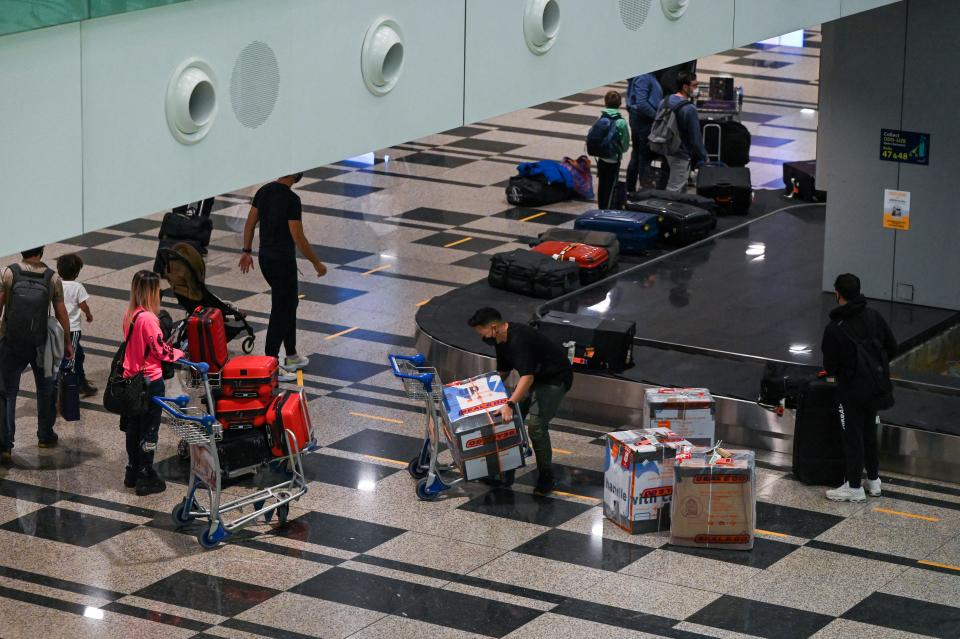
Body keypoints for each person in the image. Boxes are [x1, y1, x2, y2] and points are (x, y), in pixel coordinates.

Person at [468, 307, 573, 496]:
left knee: (536, 426)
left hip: (554, 378)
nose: (480, 336)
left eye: (481, 332)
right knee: (509, 421)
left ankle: (546, 477)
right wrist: (483, 391)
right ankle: (505, 473)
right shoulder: (500, 339)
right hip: (535, 377)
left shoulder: (519, 338)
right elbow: (504, 371)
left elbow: (527, 377)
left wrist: (509, 404)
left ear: (493, 327)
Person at [239, 173, 327, 380]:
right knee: (281, 310)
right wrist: (316, 262)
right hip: (282, 262)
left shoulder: (264, 190)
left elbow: (250, 222)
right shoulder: (291, 200)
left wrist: (246, 250)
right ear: (297, 176)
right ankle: (271, 363)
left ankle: (291, 353)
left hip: (265, 259)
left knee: (289, 304)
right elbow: (298, 236)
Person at [821, 273, 897, 502]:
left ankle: (854, 487)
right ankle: (874, 481)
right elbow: (892, 346)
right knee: (868, 432)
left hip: (850, 391)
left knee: (852, 436)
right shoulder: (874, 316)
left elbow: (830, 366)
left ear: (838, 293)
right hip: (874, 388)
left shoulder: (835, 327)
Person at [0, 246, 73, 460]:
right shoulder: (52, 278)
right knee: (46, 389)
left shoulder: (9, 272)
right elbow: (61, 313)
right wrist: (67, 342)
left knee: (7, 392)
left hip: (11, 341)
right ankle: (45, 436)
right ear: (41, 251)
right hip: (41, 344)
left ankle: (5, 444)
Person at [120, 270, 184, 496]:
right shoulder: (148, 318)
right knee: (149, 428)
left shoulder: (130, 313)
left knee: (133, 428)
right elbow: (160, 350)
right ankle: (146, 472)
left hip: (132, 379)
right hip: (150, 380)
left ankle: (132, 469)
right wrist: (179, 353)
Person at [661, 71, 709, 192]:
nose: (696, 89)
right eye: (694, 85)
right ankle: (667, 209)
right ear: (685, 86)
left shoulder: (666, 100)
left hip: (666, 148)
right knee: (674, 188)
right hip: (680, 152)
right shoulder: (689, 108)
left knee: (678, 185)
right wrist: (704, 155)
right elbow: (695, 137)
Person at [56, 253, 97, 398]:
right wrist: (88, 314)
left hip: (57, 327)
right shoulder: (77, 287)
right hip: (72, 329)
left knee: (78, 355)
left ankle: (82, 382)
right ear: (77, 272)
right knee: (70, 358)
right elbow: (82, 304)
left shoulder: (56, 284)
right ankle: (63, 388)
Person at [591, 91, 630, 209]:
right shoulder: (621, 122)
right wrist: (621, 150)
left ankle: (600, 207)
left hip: (601, 158)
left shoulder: (602, 118)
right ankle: (607, 210)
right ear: (619, 104)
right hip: (613, 159)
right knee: (611, 186)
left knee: (602, 184)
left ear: (605, 102)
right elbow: (625, 144)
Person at [625, 73, 664, 192]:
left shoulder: (646, 76)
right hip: (643, 121)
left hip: (639, 120)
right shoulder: (644, 76)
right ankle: (643, 191)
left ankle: (631, 189)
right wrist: (656, 116)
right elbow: (641, 103)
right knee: (643, 157)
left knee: (637, 155)